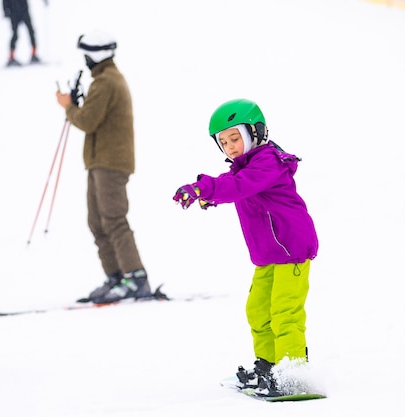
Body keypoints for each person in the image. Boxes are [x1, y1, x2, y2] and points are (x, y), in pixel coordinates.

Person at [172, 98, 319, 396]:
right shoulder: (244, 168)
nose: (230, 146)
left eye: (235, 138)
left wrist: (205, 189)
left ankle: (292, 373)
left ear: (256, 132)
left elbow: (238, 186)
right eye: (223, 142)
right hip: (268, 256)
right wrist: (204, 193)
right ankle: (268, 367)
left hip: (291, 251)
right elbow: (229, 183)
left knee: (284, 312)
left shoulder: (268, 163)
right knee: (258, 311)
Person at [55, 31, 151, 304]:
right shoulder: (104, 80)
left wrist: (69, 107)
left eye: (86, 53)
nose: (85, 59)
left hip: (110, 162)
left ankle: (135, 277)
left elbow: (87, 121)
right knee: (97, 221)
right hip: (101, 161)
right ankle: (117, 276)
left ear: (95, 54)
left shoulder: (106, 82)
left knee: (113, 219)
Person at [2, 0, 42, 66]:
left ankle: (34, 54)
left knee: (31, 31)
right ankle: (11, 57)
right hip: (13, 12)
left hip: (24, 10)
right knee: (15, 34)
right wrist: (6, 10)